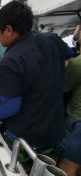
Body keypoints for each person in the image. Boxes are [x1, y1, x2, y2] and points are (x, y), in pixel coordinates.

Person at [0, 0, 75, 173]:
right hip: (55, 131)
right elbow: (70, 56)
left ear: (8, 29)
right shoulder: (52, 39)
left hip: (26, 137)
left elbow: (11, 106)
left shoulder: (10, 61)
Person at [58, 26, 81, 176]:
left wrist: (65, 66)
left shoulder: (77, 64)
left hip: (78, 123)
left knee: (65, 168)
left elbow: (62, 87)